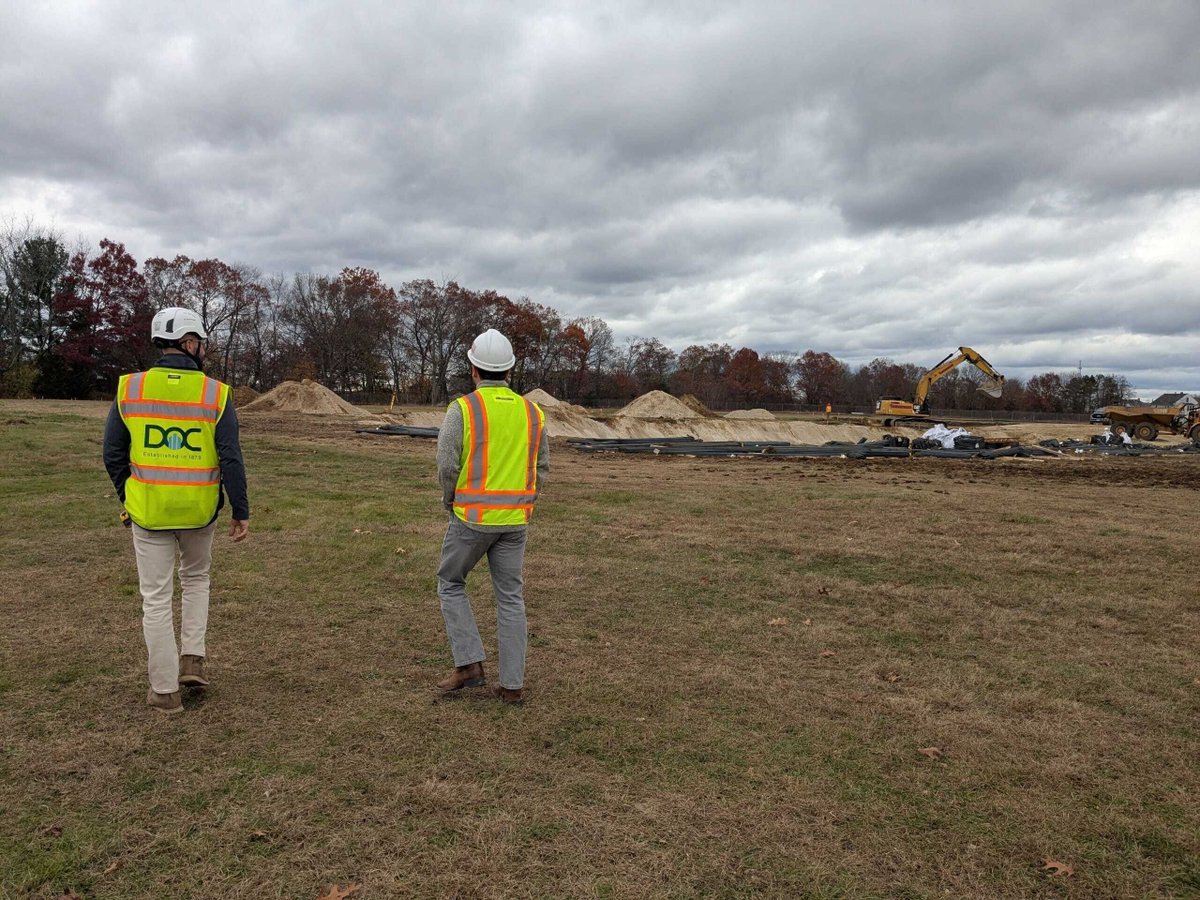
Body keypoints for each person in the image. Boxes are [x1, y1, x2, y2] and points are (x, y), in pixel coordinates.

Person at [103, 307, 250, 715]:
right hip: (200, 510)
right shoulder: (215, 393)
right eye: (200, 342)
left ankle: (165, 691)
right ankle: (192, 660)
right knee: (197, 580)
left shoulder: (129, 389)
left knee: (155, 597)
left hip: (149, 512)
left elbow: (112, 454)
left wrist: (129, 494)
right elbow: (230, 457)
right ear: (189, 343)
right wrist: (241, 508)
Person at [434, 329, 549, 705]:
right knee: (511, 598)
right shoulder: (533, 412)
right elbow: (541, 467)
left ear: (474, 370)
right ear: (510, 370)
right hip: (515, 521)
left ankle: (469, 665)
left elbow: (447, 464)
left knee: (450, 582)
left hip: (470, 519)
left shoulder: (463, 409)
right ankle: (512, 685)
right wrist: (523, 502)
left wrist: (450, 500)